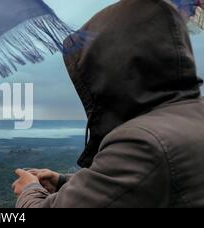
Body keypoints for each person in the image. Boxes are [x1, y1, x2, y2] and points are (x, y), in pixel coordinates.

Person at [12, 0, 204, 208]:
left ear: (110, 69)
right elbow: (141, 182)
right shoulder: (193, 117)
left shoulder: (142, 141)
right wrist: (62, 182)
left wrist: (30, 190)